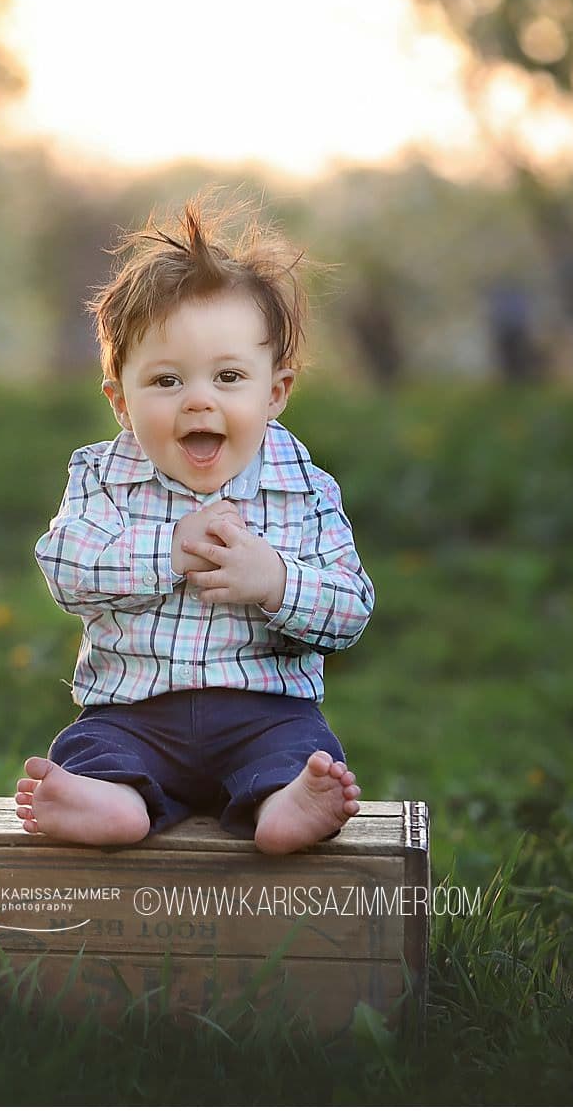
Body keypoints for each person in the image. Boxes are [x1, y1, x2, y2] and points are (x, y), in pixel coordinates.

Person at [19, 191, 373, 854]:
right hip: (133, 712)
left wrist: (275, 580)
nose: (199, 399)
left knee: (300, 753)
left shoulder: (304, 487)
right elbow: (66, 568)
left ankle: (288, 804)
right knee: (101, 750)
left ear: (275, 393)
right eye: (166, 381)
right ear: (121, 401)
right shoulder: (102, 476)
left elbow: (351, 609)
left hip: (266, 711)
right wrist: (167, 550)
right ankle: (111, 803)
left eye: (229, 375)